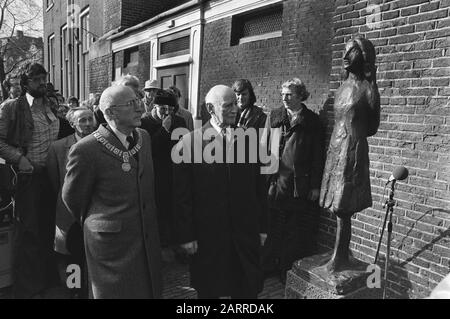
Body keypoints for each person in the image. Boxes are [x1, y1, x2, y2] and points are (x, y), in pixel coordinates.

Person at [61, 85, 162, 299]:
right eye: (131, 104)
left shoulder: (144, 137)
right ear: (110, 113)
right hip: (110, 250)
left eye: (138, 101)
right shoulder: (86, 149)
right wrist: (100, 224)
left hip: (146, 242)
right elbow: (73, 197)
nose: (140, 108)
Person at [173, 85, 268, 299]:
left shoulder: (249, 140)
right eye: (228, 105)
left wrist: (262, 227)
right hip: (209, 239)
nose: (235, 108)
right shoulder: (189, 143)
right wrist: (187, 236)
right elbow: (182, 198)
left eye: (236, 103)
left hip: (244, 236)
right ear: (210, 108)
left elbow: (260, 188)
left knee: (246, 290)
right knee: (209, 291)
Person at [0, 63, 73, 298]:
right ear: (25, 83)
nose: (42, 82)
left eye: (44, 78)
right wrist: (19, 159)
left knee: (51, 228)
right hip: (29, 177)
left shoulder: (51, 105)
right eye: (36, 79)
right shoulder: (13, 107)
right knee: (30, 232)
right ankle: (29, 288)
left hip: (53, 177)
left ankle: (50, 280)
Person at [319, 36, 380, 273]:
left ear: (362, 56)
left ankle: (340, 257)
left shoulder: (367, 88)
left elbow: (373, 128)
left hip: (353, 151)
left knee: (344, 208)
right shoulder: (342, 88)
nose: (345, 57)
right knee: (336, 207)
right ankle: (341, 254)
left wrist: (373, 85)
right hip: (336, 148)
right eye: (344, 52)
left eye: (351, 52)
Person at [262, 78, 325, 283]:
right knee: (272, 225)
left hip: (298, 184)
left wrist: (315, 185)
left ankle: (285, 269)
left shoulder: (312, 122)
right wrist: (263, 178)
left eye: (289, 94)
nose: (284, 98)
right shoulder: (274, 116)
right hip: (275, 180)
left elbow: (318, 157)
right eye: (282, 94)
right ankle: (270, 265)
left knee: (293, 229)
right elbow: (264, 149)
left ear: (300, 95)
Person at [47, 107, 96, 298]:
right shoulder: (58, 148)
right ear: (73, 124)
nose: (87, 124)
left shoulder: (103, 143)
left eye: (90, 119)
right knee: (70, 258)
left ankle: (89, 292)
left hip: (95, 211)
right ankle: (72, 292)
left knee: (92, 256)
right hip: (67, 213)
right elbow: (55, 181)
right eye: (82, 120)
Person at [140, 90, 186, 252]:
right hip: (155, 173)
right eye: (163, 109)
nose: (167, 113)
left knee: (175, 208)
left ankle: (175, 243)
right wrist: (164, 130)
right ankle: (159, 245)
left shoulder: (179, 121)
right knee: (158, 209)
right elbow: (147, 149)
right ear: (155, 106)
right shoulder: (144, 123)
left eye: (170, 110)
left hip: (174, 171)